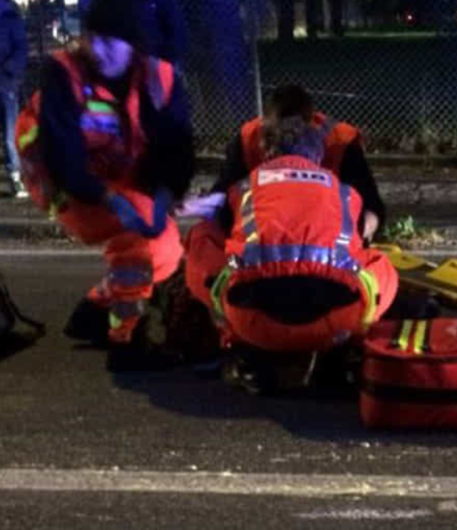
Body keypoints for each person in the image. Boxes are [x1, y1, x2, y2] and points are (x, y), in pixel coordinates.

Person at [15, 0, 194, 367]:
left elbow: (176, 149)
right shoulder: (64, 73)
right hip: (67, 184)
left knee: (168, 251)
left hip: (122, 180)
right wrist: (111, 200)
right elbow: (62, 154)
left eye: (112, 43)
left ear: (135, 46)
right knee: (143, 243)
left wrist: (164, 195)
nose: (100, 51)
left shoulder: (160, 80)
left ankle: (94, 311)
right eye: (95, 40)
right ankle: (126, 340)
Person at [182, 116, 397, 393]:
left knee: (201, 236)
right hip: (336, 320)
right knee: (381, 264)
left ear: (269, 152)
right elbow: (359, 241)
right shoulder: (345, 192)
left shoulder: (244, 187)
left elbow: (221, 230)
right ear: (318, 156)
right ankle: (350, 348)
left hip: (252, 320)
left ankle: (235, 344)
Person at [213, 84, 386, 243]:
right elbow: (221, 200)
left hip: (265, 248)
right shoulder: (247, 140)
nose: (290, 136)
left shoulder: (341, 142)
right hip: (326, 250)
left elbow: (372, 206)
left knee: (205, 235)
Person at [0, 0, 26, 198]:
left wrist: (9, 71)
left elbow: (20, 49)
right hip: (7, 81)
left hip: (6, 82)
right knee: (10, 133)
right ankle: (15, 177)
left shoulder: (10, 18)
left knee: (10, 134)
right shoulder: (11, 17)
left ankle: (15, 176)